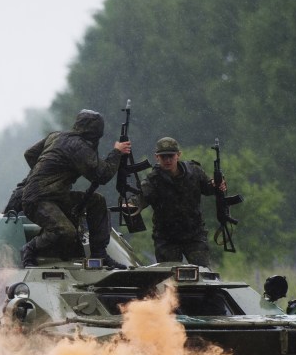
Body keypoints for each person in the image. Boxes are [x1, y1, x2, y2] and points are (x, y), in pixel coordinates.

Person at [18, 109, 131, 268]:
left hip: (56, 196)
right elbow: (102, 175)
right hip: (38, 200)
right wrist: (117, 152)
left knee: (97, 201)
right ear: (95, 133)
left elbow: (30, 154)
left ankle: (100, 253)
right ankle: (29, 249)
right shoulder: (78, 147)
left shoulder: (56, 136)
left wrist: (48, 173)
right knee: (65, 231)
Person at [136, 136, 223, 267]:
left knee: (203, 275)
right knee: (169, 281)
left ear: (178, 155)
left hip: (194, 236)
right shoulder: (153, 180)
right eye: (163, 157)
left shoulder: (194, 172)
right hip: (166, 239)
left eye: (171, 156)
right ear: (157, 157)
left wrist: (219, 185)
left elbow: (209, 187)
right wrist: (131, 204)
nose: (167, 160)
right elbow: (142, 196)